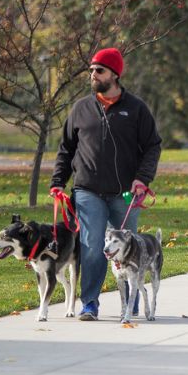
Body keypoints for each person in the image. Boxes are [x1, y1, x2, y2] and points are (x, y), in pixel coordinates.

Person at [51, 47, 162, 321]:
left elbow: (152, 146)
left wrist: (142, 179)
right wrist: (58, 182)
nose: (92, 74)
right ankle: (90, 303)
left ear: (114, 74)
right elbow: (66, 149)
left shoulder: (136, 109)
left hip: (126, 192)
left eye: (99, 70)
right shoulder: (81, 108)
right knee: (91, 246)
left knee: (128, 248)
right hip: (87, 190)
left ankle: (131, 302)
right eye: (91, 70)